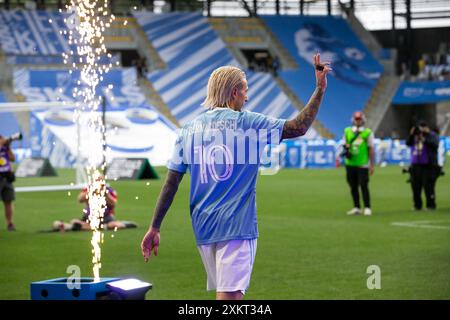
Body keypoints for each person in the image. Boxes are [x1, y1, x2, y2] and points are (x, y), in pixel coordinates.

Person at [141, 54, 331, 300]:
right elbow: (299, 127)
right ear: (233, 93)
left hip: (204, 228)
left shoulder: (188, 130)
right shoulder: (248, 123)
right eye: (245, 90)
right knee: (230, 300)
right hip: (236, 227)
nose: (247, 96)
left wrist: (155, 226)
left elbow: (171, 182)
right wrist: (319, 89)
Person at [52, 178, 137, 231]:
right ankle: (99, 227)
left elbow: (113, 203)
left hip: (106, 217)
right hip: (89, 217)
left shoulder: (109, 191)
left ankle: (80, 227)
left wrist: (105, 194)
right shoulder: (89, 190)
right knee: (74, 221)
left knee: (115, 225)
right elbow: (80, 199)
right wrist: (90, 192)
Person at [342, 111, 375, 216]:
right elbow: (344, 144)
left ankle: (367, 207)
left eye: (359, 119)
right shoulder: (347, 131)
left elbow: (371, 149)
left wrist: (372, 164)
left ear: (363, 119)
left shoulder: (367, 132)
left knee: (364, 185)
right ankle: (356, 207)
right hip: (350, 163)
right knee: (353, 186)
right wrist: (346, 148)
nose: (358, 121)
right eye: (356, 119)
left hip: (363, 163)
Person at [405, 121, 439, 211]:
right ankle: (417, 205)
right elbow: (408, 143)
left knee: (428, 187)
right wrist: (412, 134)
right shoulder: (415, 136)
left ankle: (431, 205)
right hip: (416, 165)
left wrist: (424, 138)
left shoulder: (431, 135)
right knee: (415, 186)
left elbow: (435, 144)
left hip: (428, 165)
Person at [0, 135, 16, 231]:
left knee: (8, 201)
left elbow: (12, 158)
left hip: (7, 177)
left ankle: (10, 223)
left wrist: (8, 147)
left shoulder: (5, 149)